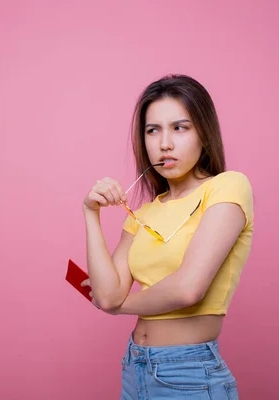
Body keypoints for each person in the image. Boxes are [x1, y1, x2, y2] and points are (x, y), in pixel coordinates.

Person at [80, 74, 253, 399]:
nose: (165, 143)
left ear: (204, 132)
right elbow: (106, 294)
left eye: (180, 127)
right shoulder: (144, 213)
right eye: (153, 130)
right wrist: (90, 213)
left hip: (188, 374)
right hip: (135, 368)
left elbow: (189, 288)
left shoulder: (227, 187)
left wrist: (121, 307)